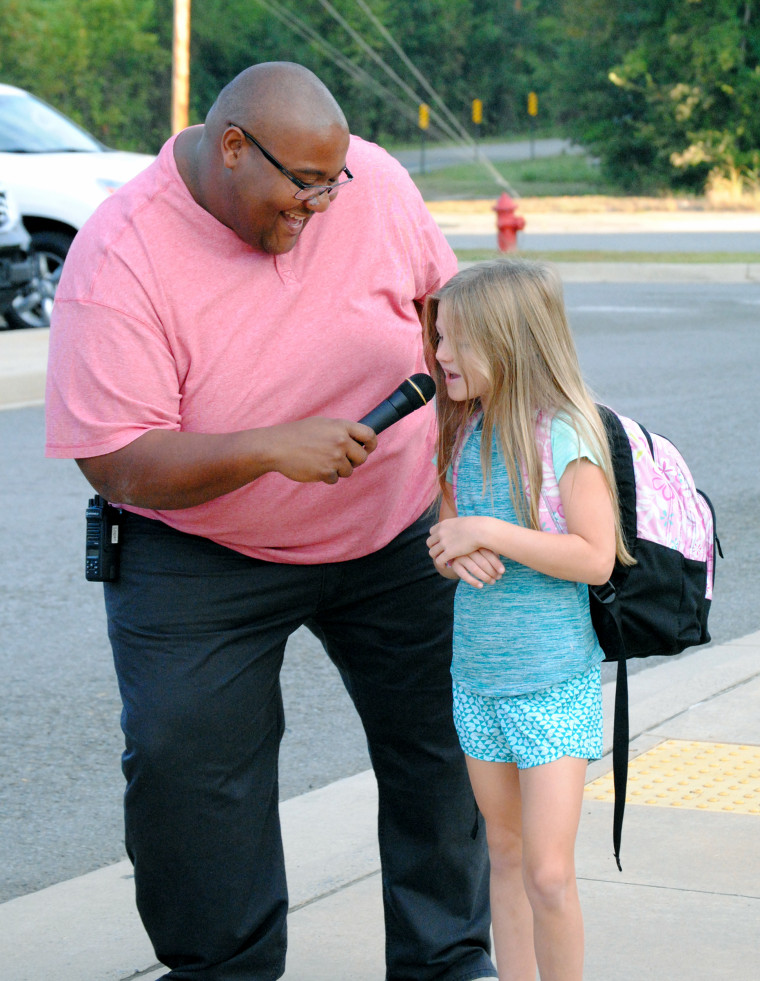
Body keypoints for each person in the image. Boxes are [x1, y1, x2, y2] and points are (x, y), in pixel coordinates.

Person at [45, 63, 497, 981]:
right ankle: (224, 967)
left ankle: (448, 959)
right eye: (302, 188)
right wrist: (265, 448)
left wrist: (471, 480)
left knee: (444, 745)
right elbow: (116, 455)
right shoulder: (120, 253)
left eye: (336, 185)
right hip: (201, 547)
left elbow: (446, 325)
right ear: (234, 149)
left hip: (396, 525)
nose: (322, 207)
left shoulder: (371, 184)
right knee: (188, 770)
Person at [424, 259, 633, 981]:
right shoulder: (460, 430)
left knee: (547, 872)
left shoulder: (566, 435)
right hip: (477, 679)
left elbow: (595, 556)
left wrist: (488, 531)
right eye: (439, 337)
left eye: (457, 340)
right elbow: (451, 528)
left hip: (551, 683)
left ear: (510, 341)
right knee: (504, 857)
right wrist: (452, 550)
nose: (440, 354)